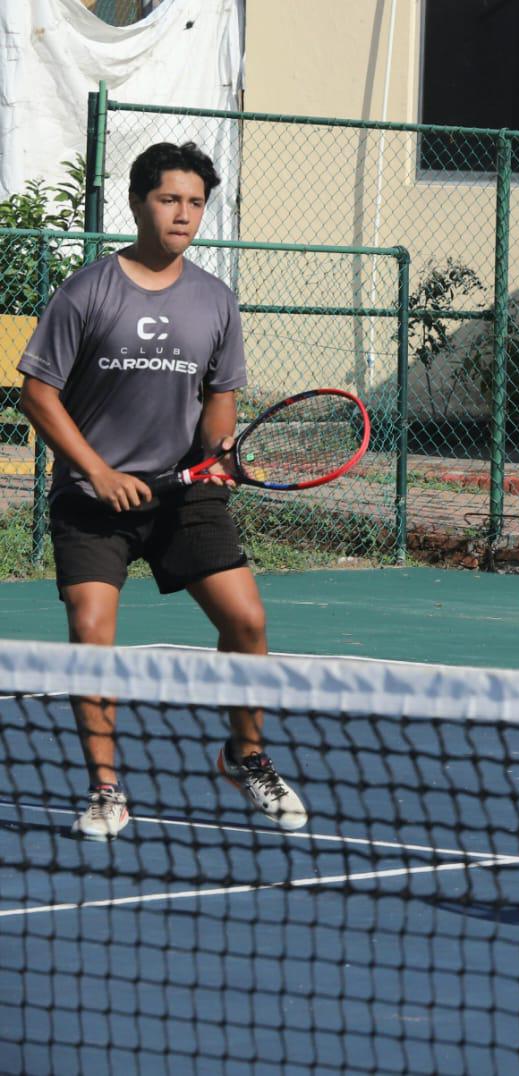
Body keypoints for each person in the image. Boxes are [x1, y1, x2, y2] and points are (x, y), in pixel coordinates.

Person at [18, 141, 307, 840]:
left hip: (183, 495)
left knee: (247, 621)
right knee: (91, 632)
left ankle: (245, 756)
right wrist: (98, 471)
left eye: (195, 203)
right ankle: (106, 789)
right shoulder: (88, 291)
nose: (183, 214)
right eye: (169, 198)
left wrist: (220, 449)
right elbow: (37, 394)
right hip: (93, 499)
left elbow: (219, 400)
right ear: (137, 202)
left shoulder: (215, 300)